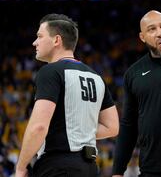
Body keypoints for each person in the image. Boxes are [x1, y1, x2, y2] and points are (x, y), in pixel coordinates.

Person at [15, 13, 119, 177]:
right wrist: (74, 131)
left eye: (40, 36)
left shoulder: (50, 72)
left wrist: (20, 168)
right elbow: (112, 127)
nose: (35, 42)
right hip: (90, 167)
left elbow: (39, 127)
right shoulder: (96, 77)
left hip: (57, 166)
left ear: (56, 40)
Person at [112, 10, 161, 177]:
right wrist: (118, 171)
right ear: (142, 37)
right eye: (152, 29)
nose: (160, 33)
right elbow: (128, 125)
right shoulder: (133, 73)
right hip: (151, 168)